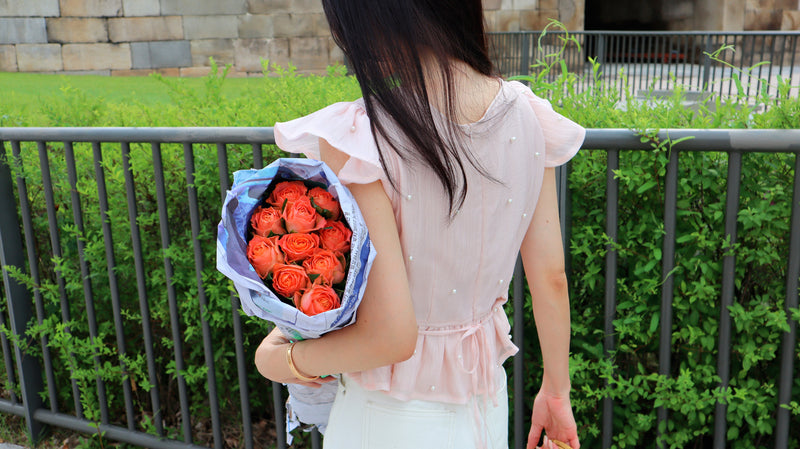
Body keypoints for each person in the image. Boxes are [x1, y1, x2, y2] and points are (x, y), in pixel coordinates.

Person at [253, 1, 584, 448]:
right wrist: (556, 391)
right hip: (486, 402)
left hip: (389, 413)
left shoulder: (366, 135)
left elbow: (392, 336)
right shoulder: (528, 115)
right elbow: (551, 277)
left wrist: (284, 359)